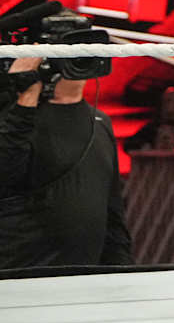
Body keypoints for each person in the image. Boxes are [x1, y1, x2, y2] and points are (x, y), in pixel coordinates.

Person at [1, 54, 133, 269]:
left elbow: (113, 214)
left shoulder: (100, 122)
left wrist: (122, 271)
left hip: (85, 279)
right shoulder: (15, 119)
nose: (79, 55)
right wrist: (25, 98)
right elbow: (5, 177)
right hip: (20, 277)